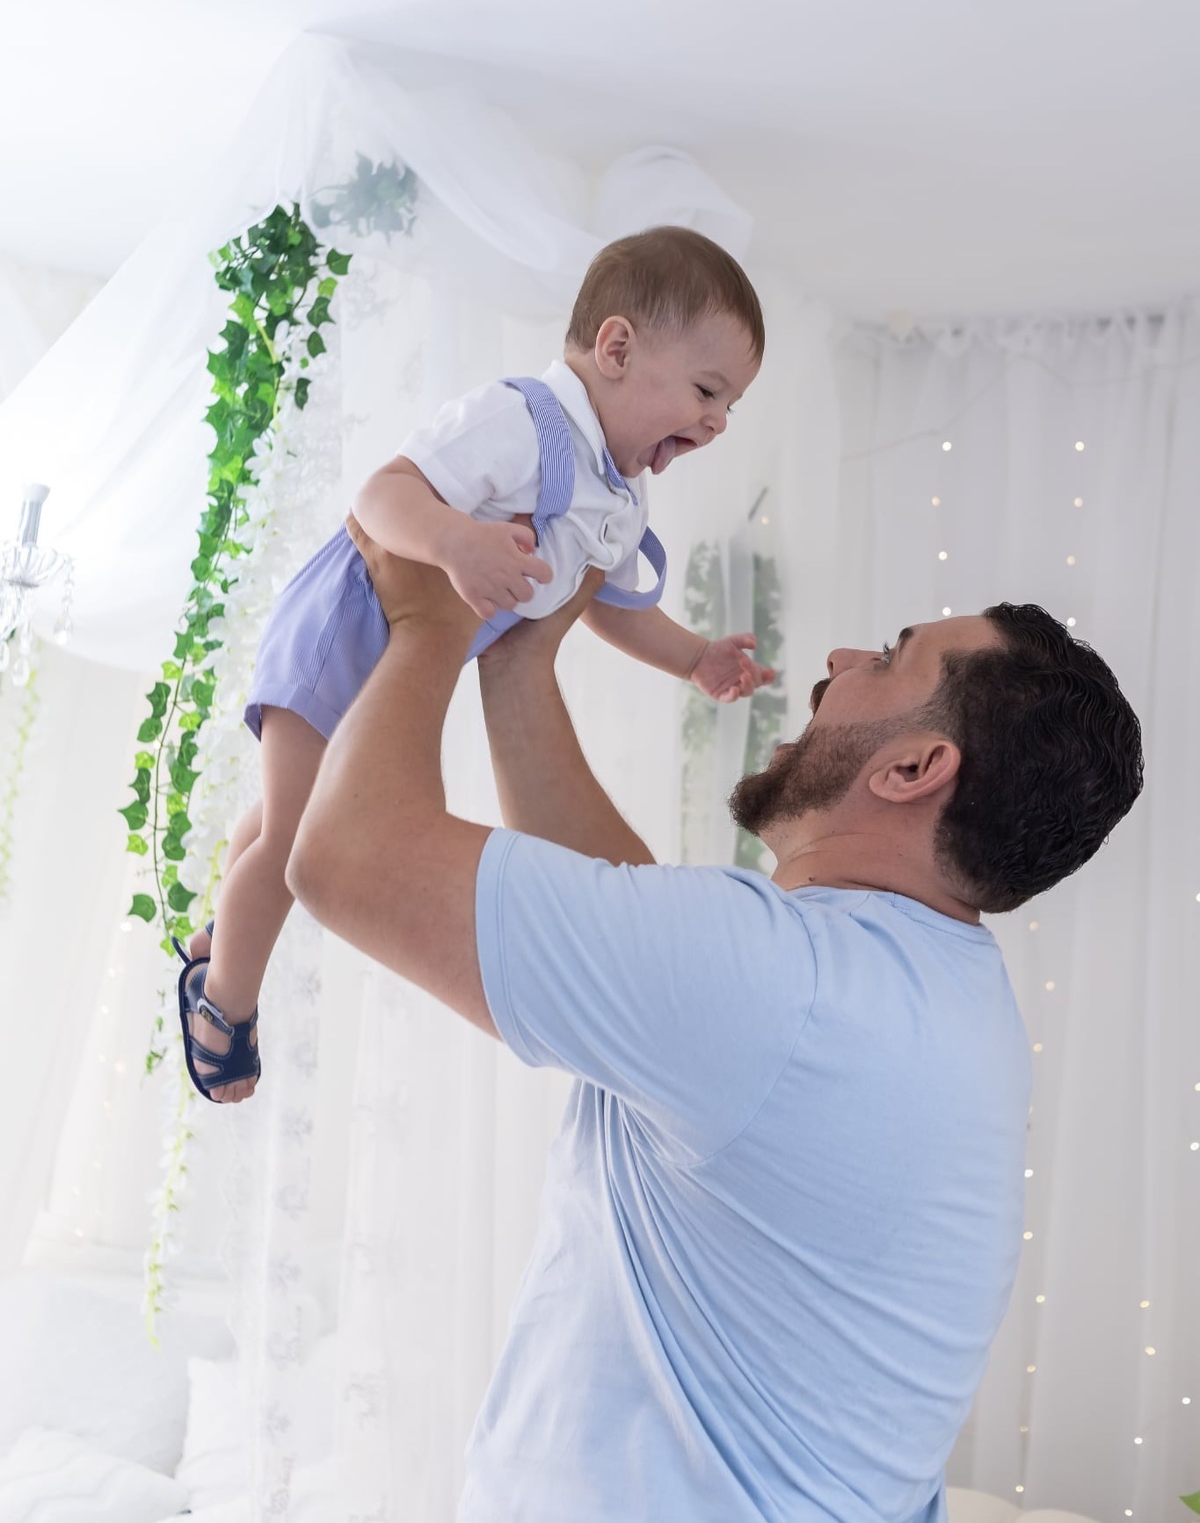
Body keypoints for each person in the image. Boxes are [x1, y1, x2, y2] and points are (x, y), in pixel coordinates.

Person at [286, 538, 1143, 1523]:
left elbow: (346, 858)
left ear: (913, 767)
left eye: (888, 657)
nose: (838, 662)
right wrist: (519, 664)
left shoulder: (787, 987)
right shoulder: (932, 987)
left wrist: (429, 620)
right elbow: (635, 928)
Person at [177, 226, 773, 1102]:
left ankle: (213, 936)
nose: (717, 422)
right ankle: (222, 999)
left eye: (730, 407)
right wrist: (456, 542)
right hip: (345, 625)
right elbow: (381, 495)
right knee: (296, 839)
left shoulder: (619, 488)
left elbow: (606, 602)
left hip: (398, 667)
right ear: (616, 348)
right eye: (706, 390)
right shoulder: (522, 419)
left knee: (280, 810)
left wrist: (691, 659)